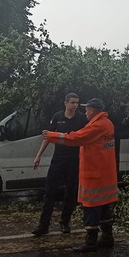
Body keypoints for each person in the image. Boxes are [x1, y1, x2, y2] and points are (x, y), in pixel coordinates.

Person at [43, 98, 118, 253]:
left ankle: (91, 242)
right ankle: (107, 237)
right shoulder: (107, 123)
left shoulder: (97, 126)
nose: (85, 112)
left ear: (94, 110)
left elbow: (76, 138)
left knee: (91, 207)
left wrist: (52, 135)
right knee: (104, 206)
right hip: (104, 174)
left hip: (95, 174)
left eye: (87, 109)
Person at [31, 93, 88, 236]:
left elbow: (85, 138)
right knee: (49, 191)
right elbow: (48, 137)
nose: (75, 105)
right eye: (73, 102)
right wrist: (38, 156)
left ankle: (65, 222)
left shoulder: (81, 118)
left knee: (70, 192)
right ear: (66, 103)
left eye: (77, 103)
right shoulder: (57, 117)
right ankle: (43, 225)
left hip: (73, 159)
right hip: (58, 159)